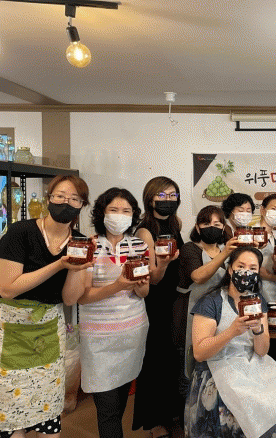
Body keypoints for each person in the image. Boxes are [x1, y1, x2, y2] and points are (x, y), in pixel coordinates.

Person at [0, 175, 92, 438]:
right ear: (49, 198)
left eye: (74, 199)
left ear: (82, 205)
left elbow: (70, 299)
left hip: (49, 330)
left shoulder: (80, 241)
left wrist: (78, 268)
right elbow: (7, 288)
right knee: (11, 412)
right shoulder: (21, 232)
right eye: (60, 196)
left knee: (48, 409)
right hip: (12, 328)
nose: (66, 203)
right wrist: (60, 264)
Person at [184, 247, 276, 438]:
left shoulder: (258, 302)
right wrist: (231, 331)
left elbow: (262, 351)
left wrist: (258, 330)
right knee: (244, 415)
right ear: (230, 269)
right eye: (241, 267)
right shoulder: (211, 302)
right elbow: (199, 353)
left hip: (250, 364)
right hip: (218, 367)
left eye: (252, 268)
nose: (246, 272)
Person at [73, 188, 150, 438]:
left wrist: (139, 285)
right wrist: (117, 285)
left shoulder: (138, 245)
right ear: (102, 213)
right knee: (107, 409)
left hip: (131, 334)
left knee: (119, 403)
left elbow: (144, 292)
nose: (120, 215)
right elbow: (83, 297)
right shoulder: (90, 245)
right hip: (99, 339)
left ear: (133, 215)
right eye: (114, 210)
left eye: (126, 211)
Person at [132, 176, 183, 438]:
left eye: (172, 195)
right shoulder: (144, 231)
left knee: (171, 359)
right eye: (161, 195)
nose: (167, 200)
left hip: (174, 300)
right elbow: (152, 278)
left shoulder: (176, 224)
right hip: (155, 301)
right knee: (154, 359)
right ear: (150, 198)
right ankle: (153, 422)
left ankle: (169, 412)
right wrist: (163, 264)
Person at [178, 206, 238, 361]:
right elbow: (198, 277)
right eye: (206, 224)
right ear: (198, 228)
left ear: (223, 228)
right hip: (190, 309)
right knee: (191, 354)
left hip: (218, 310)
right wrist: (225, 253)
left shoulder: (227, 250)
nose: (212, 228)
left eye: (217, 224)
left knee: (216, 350)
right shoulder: (189, 248)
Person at [255, 194, 276, 302]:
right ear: (262, 210)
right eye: (273, 209)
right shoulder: (250, 233)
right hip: (252, 290)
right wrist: (274, 277)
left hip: (272, 292)